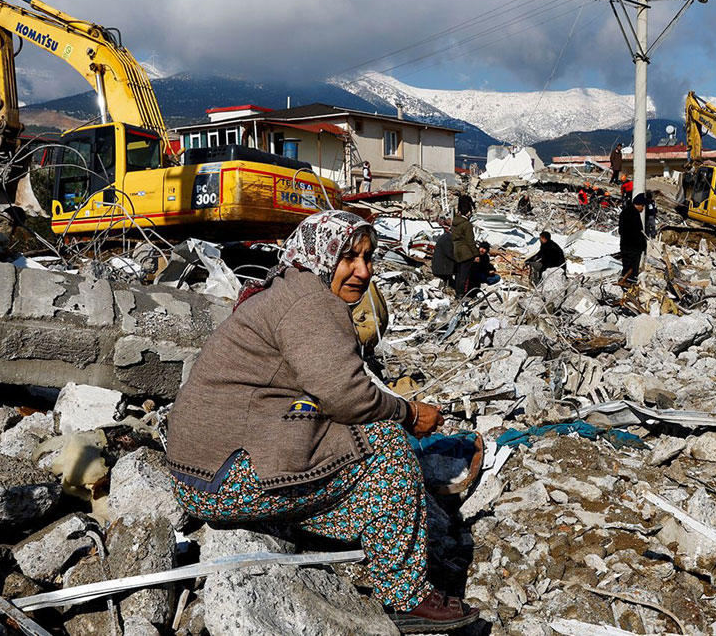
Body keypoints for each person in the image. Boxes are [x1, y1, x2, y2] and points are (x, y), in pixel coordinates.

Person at [165, 210, 480, 633]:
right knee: (384, 445)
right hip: (222, 477)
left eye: (368, 258)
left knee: (337, 439)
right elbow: (346, 396)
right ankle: (405, 596)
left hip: (200, 472)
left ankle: (369, 535)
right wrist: (408, 414)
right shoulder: (312, 304)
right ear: (323, 253)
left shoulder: (289, 287)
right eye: (349, 257)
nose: (362, 271)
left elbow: (324, 388)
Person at [451, 195, 478, 297]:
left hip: (456, 250)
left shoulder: (454, 223)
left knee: (459, 274)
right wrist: (476, 254)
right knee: (465, 275)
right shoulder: (467, 224)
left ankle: (458, 293)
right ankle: (463, 294)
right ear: (468, 212)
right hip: (466, 252)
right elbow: (470, 241)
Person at [618, 194, 647, 285]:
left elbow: (621, 230)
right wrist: (643, 245)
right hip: (634, 248)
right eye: (643, 206)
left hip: (624, 246)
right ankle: (629, 287)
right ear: (639, 205)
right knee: (633, 270)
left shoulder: (624, 212)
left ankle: (624, 283)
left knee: (626, 268)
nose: (643, 208)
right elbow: (637, 232)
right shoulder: (634, 214)